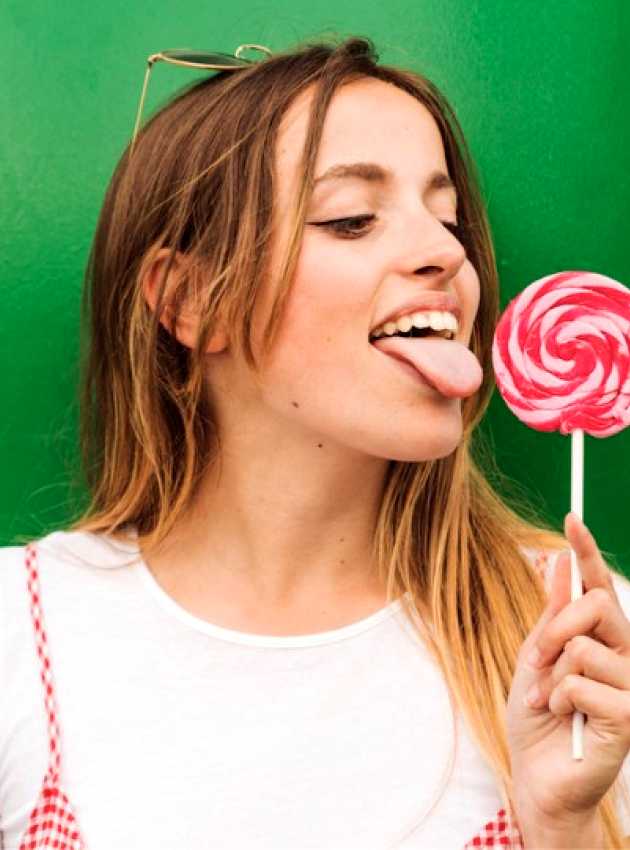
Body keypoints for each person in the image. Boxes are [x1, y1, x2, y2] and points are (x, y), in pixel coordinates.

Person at [1, 35, 630, 850]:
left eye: (448, 219)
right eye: (351, 219)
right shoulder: (20, 636)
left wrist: (567, 826)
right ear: (190, 301)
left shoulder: (585, 651)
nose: (448, 253)